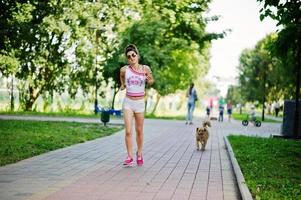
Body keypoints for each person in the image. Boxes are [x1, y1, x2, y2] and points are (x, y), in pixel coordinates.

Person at [119, 44, 154, 167]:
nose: (131, 58)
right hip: (128, 102)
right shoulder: (125, 69)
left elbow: (151, 81)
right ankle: (129, 156)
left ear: (137, 55)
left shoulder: (145, 68)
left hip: (139, 104)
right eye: (129, 57)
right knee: (128, 131)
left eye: (133, 55)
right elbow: (121, 76)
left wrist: (148, 78)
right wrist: (123, 84)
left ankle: (139, 153)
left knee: (139, 131)